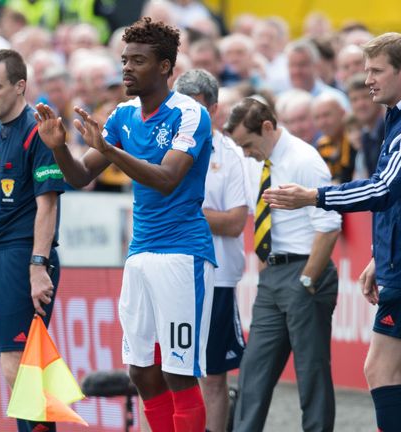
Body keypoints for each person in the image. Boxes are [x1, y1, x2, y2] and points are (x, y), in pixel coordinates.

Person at [262, 32, 401, 432]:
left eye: (376, 70)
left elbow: (382, 190)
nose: (368, 80)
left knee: (380, 371)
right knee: (389, 374)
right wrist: (381, 256)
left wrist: (314, 196)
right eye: (366, 70)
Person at [35, 17, 215, 431]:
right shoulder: (123, 114)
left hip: (182, 254)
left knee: (179, 372)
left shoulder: (190, 114)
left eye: (139, 60)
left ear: (166, 67)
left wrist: (110, 152)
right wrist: (59, 147)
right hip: (140, 253)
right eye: (124, 60)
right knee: (141, 372)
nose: (127, 68)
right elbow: (80, 176)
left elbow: (168, 180)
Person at [225, 97, 341, 432]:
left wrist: (307, 280)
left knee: (311, 372)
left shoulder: (305, 159)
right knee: (253, 370)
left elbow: (329, 226)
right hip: (273, 273)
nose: (245, 152)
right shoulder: (254, 159)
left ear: (267, 127)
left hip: (306, 270)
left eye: (247, 144)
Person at [0, 49, 66, 432]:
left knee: (22, 366)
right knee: (17, 368)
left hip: (24, 256)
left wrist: (38, 266)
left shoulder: (38, 130)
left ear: (20, 86)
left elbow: (48, 206)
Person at [174, 69, 250, 432]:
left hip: (216, 275)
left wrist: (186, 212)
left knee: (213, 375)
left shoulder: (231, 154)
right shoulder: (164, 146)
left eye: (197, 108)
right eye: (181, 107)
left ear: (216, 110)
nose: (188, 115)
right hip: (171, 273)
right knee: (164, 372)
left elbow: (236, 222)